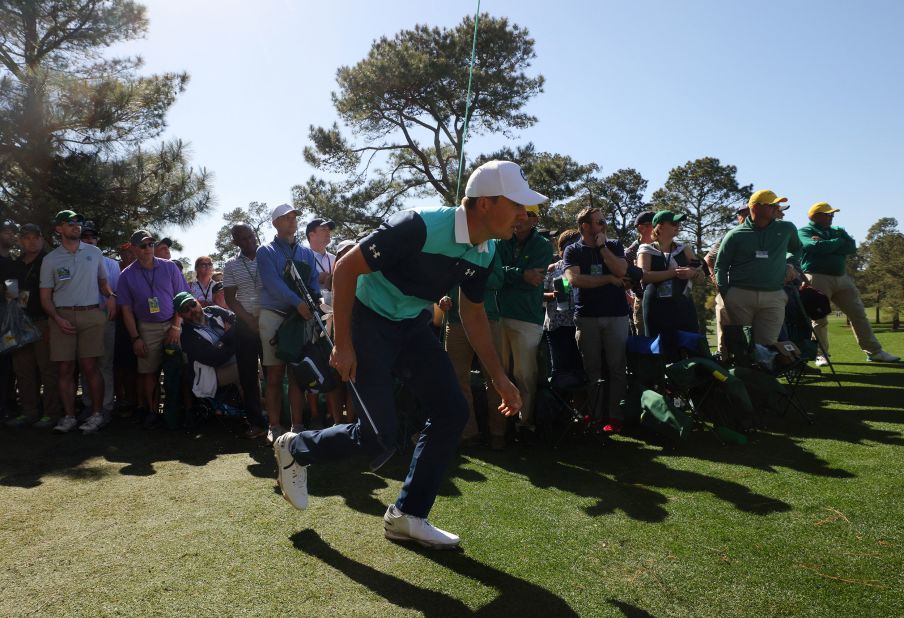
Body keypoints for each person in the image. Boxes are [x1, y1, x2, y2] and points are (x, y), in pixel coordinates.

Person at [273, 160, 532, 549]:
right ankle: (295, 448)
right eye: (516, 204)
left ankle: (408, 516)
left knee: (451, 410)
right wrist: (343, 345)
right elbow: (345, 269)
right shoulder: (419, 225)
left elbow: (473, 312)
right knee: (378, 440)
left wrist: (498, 376)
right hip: (367, 320)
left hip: (410, 325)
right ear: (485, 203)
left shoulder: (486, 250)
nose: (523, 215)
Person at [39, 210, 115, 434]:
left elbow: (103, 283)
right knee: (65, 368)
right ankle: (69, 416)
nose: (76, 226)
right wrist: (57, 319)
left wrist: (111, 297)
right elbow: (45, 298)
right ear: (58, 229)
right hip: (62, 316)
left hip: (91, 314)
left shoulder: (94, 252)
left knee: (91, 367)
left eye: (78, 222)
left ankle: (97, 415)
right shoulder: (50, 259)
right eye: (69, 222)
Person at [799, 202, 899, 364]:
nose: (832, 217)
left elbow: (851, 247)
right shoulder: (805, 231)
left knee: (858, 314)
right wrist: (838, 242)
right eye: (828, 214)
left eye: (832, 214)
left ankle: (874, 352)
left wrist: (829, 242)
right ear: (816, 216)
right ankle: (821, 354)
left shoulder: (837, 230)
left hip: (842, 277)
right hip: (816, 276)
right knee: (819, 318)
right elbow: (813, 246)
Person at [256, 204, 321, 443]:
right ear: (275, 223)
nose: (292, 220)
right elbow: (273, 284)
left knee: (297, 374)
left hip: (301, 318)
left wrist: (313, 302)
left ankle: (298, 424)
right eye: (286, 217)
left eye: (294, 216)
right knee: (273, 373)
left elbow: (313, 283)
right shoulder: (266, 251)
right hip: (274, 314)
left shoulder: (306, 253)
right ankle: (274, 425)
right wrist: (298, 303)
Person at [563, 207, 630, 434]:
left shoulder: (613, 246)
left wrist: (602, 248)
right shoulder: (572, 250)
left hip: (616, 315)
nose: (604, 225)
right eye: (599, 222)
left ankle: (614, 416)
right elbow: (575, 279)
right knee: (592, 370)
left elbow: (621, 270)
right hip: (587, 317)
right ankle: (596, 415)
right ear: (585, 226)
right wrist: (608, 279)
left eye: (604, 221)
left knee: (617, 368)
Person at [117, 229, 190, 426]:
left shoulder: (170, 268)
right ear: (133, 249)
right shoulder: (126, 275)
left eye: (150, 244)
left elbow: (182, 300)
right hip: (146, 327)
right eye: (143, 245)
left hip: (172, 324)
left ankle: (184, 409)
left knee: (182, 367)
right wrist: (135, 338)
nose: (148, 248)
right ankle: (151, 411)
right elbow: (126, 311)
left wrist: (176, 326)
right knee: (149, 372)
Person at [714, 190, 802, 346]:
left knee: (768, 345)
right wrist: (727, 295)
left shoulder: (787, 228)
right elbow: (720, 266)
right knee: (744, 346)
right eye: (772, 204)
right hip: (740, 295)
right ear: (755, 207)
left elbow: (796, 249)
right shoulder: (735, 234)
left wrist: (790, 262)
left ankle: (767, 369)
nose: (777, 207)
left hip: (774, 295)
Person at [496, 204, 554, 443]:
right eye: (517, 213)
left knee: (524, 374)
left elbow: (534, 279)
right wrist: (520, 274)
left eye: (526, 214)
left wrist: (508, 275)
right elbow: (495, 272)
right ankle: (501, 424)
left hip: (527, 318)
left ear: (535, 219)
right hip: (499, 314)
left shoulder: (542, 245)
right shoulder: (500, 241)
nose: (519, 218)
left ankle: (524, 423)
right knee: (500, 372)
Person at [441, 248, 506, 451]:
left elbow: (498, 280)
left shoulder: (490, 249)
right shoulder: (451, 247)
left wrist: (469, 274)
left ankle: (498, 433)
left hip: (487, 320)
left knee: (495, 379)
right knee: (457, 381)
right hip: (455, 322)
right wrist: (442, 297)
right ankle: (468, 433)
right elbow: (440, 279)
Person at [7, 224, 60, 428]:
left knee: (48, 370)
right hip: (20, 323)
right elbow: (11, 292)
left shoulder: (50, 261)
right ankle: (29, 411)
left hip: (44, 321)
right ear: (20, 241)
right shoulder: (15, 264)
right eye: (26, 238)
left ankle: (51, 413)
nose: (31, 241)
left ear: (41, 239)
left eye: (35, 237)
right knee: (23, 370)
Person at [222, 224, 268, 438]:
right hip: (245, 325)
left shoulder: (268, 256)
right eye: (243, 238)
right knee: (249, 376)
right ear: (235, 242)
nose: (249, 241)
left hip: (270, 322)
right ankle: (256, 423)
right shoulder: (231, 265)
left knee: (273, 373)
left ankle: (279, 421)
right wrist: (250, 320)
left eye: (250, 236)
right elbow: (230, 299)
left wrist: (264, 319)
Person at [636, 211, 703, 359]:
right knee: (661, 350)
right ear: (659, 227)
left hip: (683, 305)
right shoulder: (646, 249)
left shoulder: (684, 248)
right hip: (657, 308)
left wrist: (692, 274)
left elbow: (701, 276)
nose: (677, 226)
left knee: (692, 346)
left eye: (678, 223)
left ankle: (692, 379)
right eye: (673, 223)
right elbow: (644, 276)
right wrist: (673, 273)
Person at [78, 221, 120, 422]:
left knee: (104, 365)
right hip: (83, 318)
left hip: (105, 319)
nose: (89, 240)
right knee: (86, 365)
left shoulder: (112, 264)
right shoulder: (74, 262)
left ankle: (106, 406)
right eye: (85, 237)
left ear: (97, 240)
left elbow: (118, 293)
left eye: (92, 237)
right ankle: (88, 404)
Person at [305, 217, 340, 427]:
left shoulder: (335, 257)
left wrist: (326, 279)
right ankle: (315, 413)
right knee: (314, 361)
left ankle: (332, 414)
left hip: (334, 315)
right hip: (313, 316)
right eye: (323, 229)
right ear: (311, 234)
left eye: (329, 229)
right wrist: (324, 278)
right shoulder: (304, 256)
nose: (328, 232)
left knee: (331, 364)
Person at [173, 291, 240, 394]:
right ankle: (254, 406)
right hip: (211, 374)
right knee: (245, 366)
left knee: (248, 356)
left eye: (192, 304)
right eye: (186, 309)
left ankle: (253, 404)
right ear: (180, 315)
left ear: (198, 302)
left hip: (231, 358)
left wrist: (221, 345)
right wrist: (227, 338)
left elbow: (238, 321)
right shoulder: (187, 336)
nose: (192, 310)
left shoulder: (213, 310)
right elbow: (215, 359)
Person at [705, 205, 749, 356]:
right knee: (726, 327)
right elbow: (708, 259)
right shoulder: (730, 236)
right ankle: (724, 359)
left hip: (751, 289)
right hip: (729, 288)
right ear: (739, 217)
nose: (749, 218)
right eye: (745, 215)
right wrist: (716, 280)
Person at [542, 229, 584, 387]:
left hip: (580, 324)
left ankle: (583, 408)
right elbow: (539, 294)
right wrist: (554, 295)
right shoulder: (553, 269)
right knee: (561, 372)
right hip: (557, 327)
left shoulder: (586, 267)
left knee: (581, 371)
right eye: (571, 245)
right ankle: (561, 408)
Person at [624, 211, 655, 336]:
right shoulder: (630, 253)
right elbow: (622, 283)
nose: (659, 227)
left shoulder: (662, 247)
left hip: (664, 302)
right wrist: (632, 299)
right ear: (641, 228)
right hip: (642, 302)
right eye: (654, 224)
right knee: (645, 344)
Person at [0, 219, 19, 422]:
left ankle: (6, 405)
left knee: (6, 365)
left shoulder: (12, 262)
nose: (11, 236)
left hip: (7, 320)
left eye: (13, 233)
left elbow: (13, 293)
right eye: (6, 232)